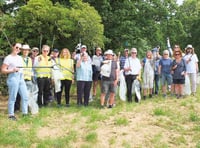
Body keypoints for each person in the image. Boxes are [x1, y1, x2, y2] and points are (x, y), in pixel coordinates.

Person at [1, 43, 28, 120]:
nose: (18, 49)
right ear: (13, 47)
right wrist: (12, 70)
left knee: (25, 96)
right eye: (17, 47)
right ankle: (11, 115)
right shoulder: (8, 58)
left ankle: (25, 113)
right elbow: (3, 70)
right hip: (13, 78)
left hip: (20, 78)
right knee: (13, 97)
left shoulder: (20, 58)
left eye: (20, 48)